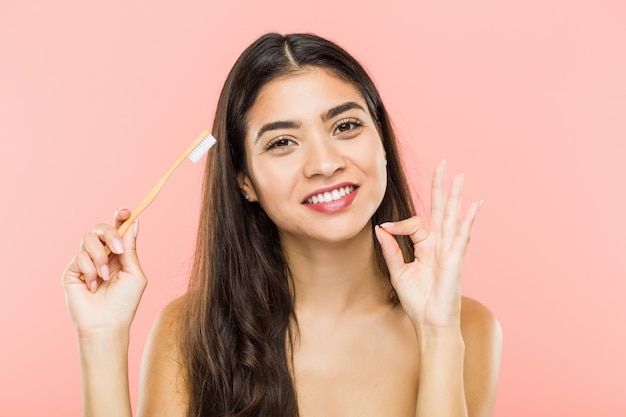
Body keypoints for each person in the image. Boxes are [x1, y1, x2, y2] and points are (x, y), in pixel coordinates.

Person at [62, 32, 502, 417]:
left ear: (382, 143)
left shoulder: (466, 327)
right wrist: (101, 336)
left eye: (346, 125)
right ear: (245, 181)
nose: (326, 163)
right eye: (283, 142)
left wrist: (437, 333)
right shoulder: (191, 331)